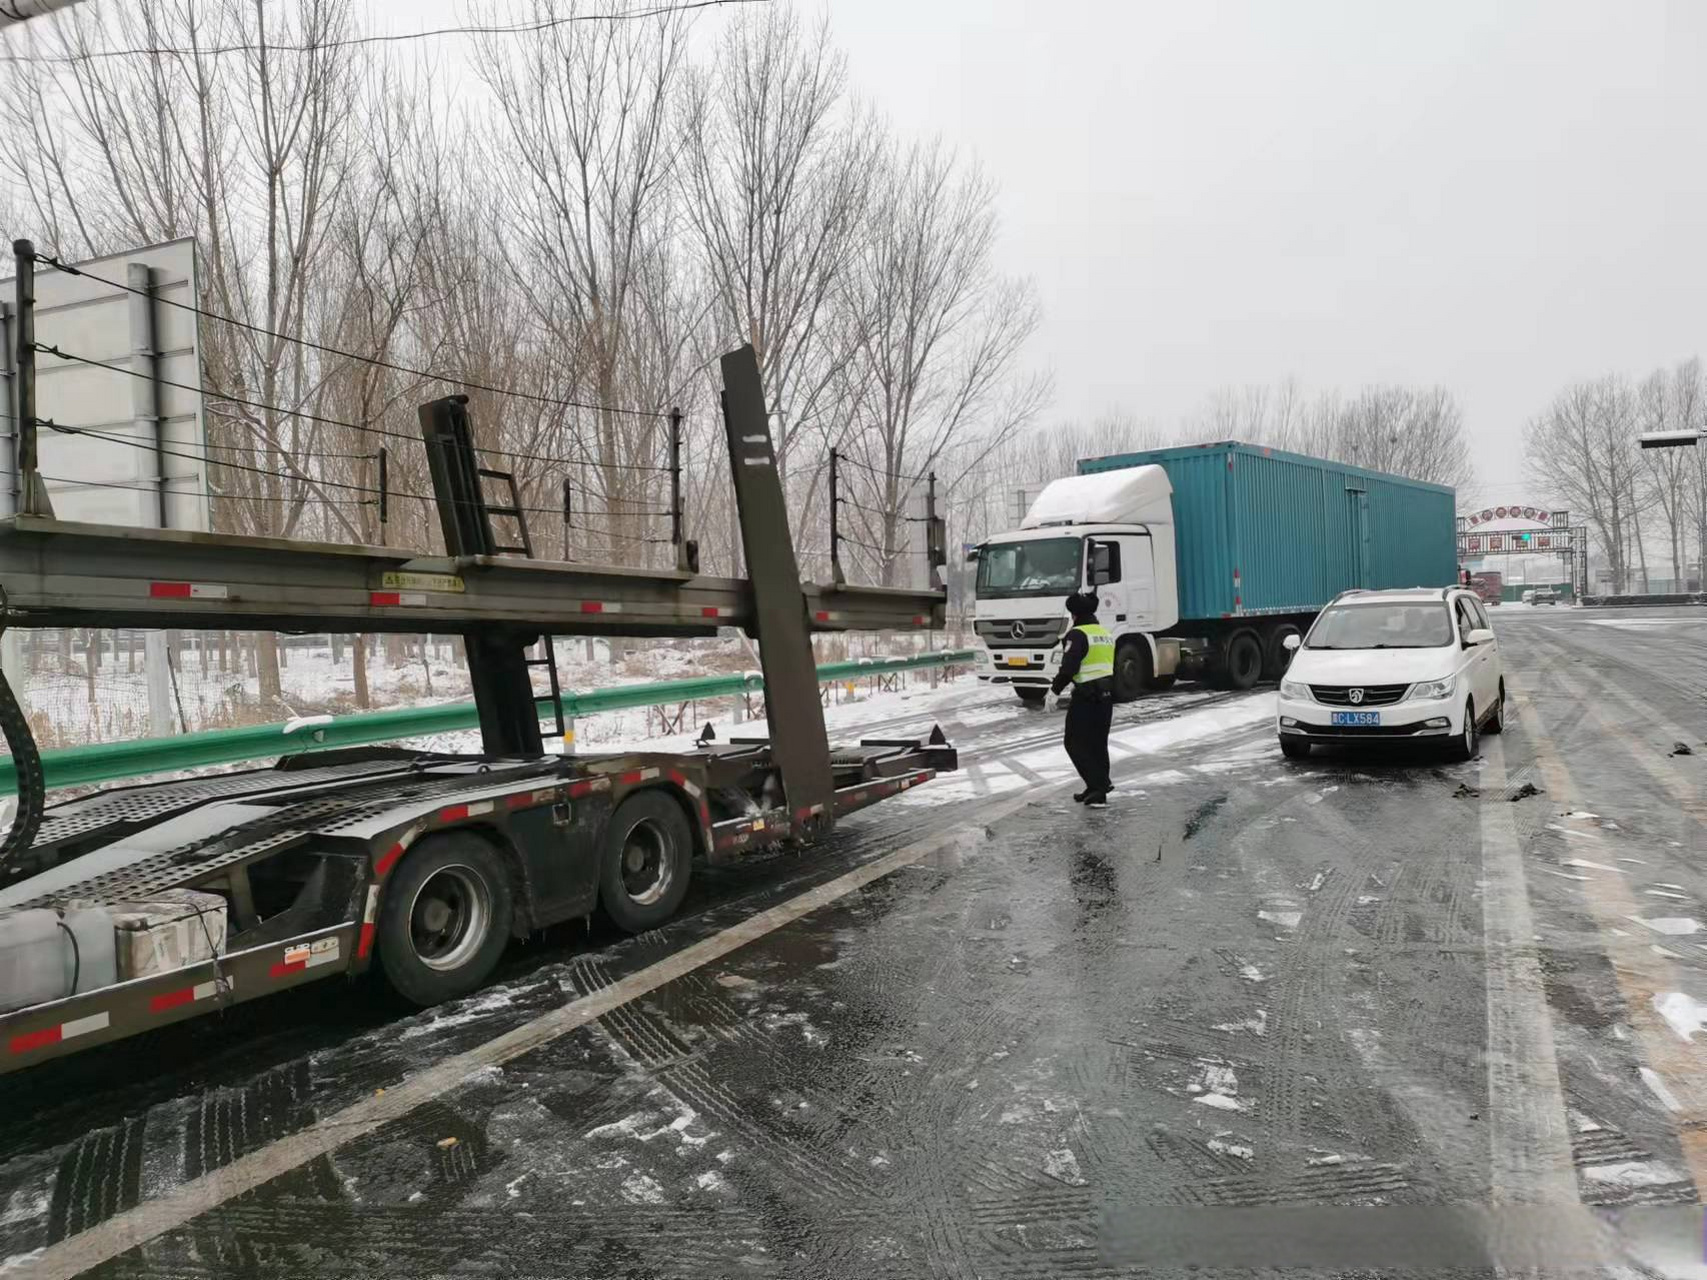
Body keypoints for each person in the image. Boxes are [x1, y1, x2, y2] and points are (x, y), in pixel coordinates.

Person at [1051, 591, 1115, 807]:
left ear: (1075, 615)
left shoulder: (1077, 634)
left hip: (1086, 696)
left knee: (1073, 743)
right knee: (1098, 743)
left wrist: (1054, 690)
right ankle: (1097, 786)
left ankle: (1098, 787)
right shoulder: (1104, 633)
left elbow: (1070, 666)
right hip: (1106, 697)